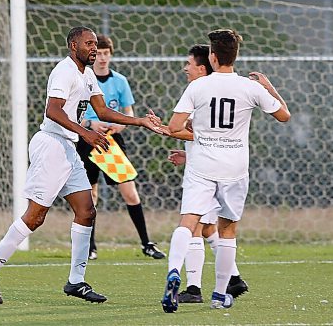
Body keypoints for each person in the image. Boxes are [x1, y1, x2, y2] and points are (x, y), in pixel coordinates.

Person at [0, 26, 162, 305]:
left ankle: (76, 281)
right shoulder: (64, 71)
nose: (94, 48)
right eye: (88, 43)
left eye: (95, 43)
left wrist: (139, 121)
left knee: (87, 211)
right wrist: (85, 132)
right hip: (51, 145)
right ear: (73, 46)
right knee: (36, 216)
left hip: (68, 148)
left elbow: (103, 111)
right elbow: (53, 109)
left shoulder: (87, 75)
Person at [161, 29, 290, 313]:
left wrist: (195, 133)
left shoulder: (198, 87)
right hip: (234, 168)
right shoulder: (250, 87)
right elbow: (284, 115)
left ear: (213, 57)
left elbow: (174, 127)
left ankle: (173, 272)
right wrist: (268, 86)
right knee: (227, 229)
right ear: (235, 56)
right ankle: (219, 294)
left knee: (188, 222)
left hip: (202, 166)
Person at [166, 45, 248, 304]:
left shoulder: (201, 90)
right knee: (209, 227)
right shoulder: (212, 90)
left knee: (196, 226)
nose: (185, 68)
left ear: (204, 66)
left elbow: (202, 134)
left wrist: (164, 129)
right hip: (211, 167)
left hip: (208, 172)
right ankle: (232, 279)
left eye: (189, 63)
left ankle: (195, 288)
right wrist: (187, 153)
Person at [76, 34, 165, 261]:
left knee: (130, 192)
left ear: (111, 56)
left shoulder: (120, 81)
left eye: (107, 54)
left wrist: (118, 125)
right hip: (88, 141)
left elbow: (129, 114)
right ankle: (90, 247)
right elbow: (72, 115)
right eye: (99, 54)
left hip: (111, 144)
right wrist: (89, 123)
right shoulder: (84, 80)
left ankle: (147, 243)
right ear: (93, 56)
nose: (103, 58)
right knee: (90, 195)